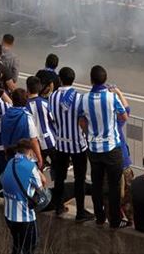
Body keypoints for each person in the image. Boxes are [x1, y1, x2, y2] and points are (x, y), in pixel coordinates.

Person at [78, 65, 128, 228]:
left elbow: (82, 121)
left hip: (93, 149)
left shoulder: (84, 99)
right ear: (105, 80)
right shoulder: (112, 98)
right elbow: (124, 116)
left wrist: (89, 133)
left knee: (97, 184)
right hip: (112, 148)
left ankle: (99, 217)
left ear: (91, 80)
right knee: (114, 187)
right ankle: (115, 221)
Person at [48, 66, 93, 220]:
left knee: (59, 177)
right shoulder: (79, 98)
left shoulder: (52, 97)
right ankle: (80, 211)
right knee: (80, 179)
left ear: (60, 79)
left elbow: (51, 118)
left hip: (60, 143)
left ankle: (58, 206)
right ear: (73, 80)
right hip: (77, 144)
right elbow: (83, 120)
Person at [1, 139, 46, 254]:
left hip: (9, 215)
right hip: (25, 218)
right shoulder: (30, 167)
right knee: (29, 248)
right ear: (30, 151)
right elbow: (41, 190)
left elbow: (3, 179)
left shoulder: (10, 162)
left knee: (17, 246)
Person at [1, 88, 42, 167]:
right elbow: (34, 140)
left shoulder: (5, 115)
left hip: (9, 155)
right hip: (24, 156)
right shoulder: (26, 116)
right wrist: (39, 157)